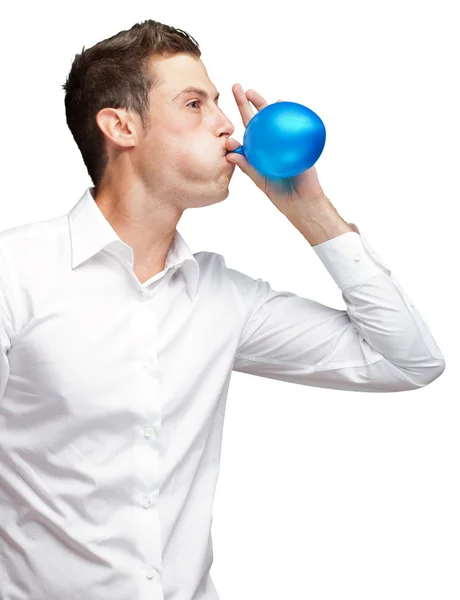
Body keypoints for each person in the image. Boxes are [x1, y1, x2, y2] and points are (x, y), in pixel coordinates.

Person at [0, 18, 445, 600]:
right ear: (121, 126)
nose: (226, 125)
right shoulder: (15, 272)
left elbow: (408, 361)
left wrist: (308, 209)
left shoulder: (224, 298)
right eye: (195, 103)